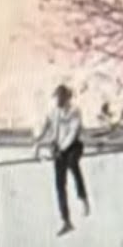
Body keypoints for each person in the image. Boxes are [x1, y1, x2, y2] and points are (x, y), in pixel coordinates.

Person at [34, 84, 90, 236]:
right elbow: (44, 127)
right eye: (57, 97)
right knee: (59, 184)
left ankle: (83, 197)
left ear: (67, 98)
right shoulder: (53, 112)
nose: (58, 100)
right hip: (59, 149)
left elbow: (73, 133)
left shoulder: (74, 111)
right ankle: (66, 220)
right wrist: (37, 142)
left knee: (73, 163)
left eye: (61, 98)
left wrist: (62, 149)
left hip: (73, 146)